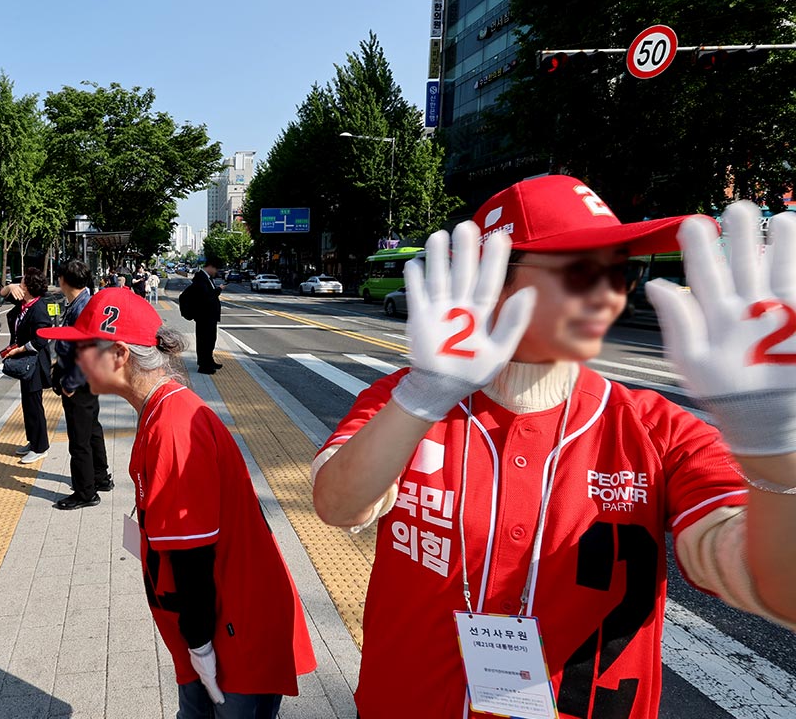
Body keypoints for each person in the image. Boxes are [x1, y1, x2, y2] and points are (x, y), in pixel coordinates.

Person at [311, 175, 796, 719]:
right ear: (492, 280)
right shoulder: (405, 401)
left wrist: (776, 457)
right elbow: (338, 504)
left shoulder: (656, 427)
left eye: (619, 272)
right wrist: (421, 397)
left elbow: (769, 584)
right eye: (579, 273)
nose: (610, 295)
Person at [47, 287, 317, 718]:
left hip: (232, 627)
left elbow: (192, 557)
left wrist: (200, 647)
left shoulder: (172, 424)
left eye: (81, 347)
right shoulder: (161, 409)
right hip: (213, 621)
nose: (74, 359)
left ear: (118, 354)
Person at [46, 259, 111, 510]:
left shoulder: (82, 308)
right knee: (92, 428)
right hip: (88, 380)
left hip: (79, 381)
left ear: (62, 279)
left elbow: (88, 352)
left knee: (79, 439)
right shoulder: (82, 302)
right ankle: (100, 477)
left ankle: (86, 493)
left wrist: (70, 384)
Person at [0, 267, 53, 464]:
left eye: (22, 282)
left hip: (35, 364)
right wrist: (10, 286)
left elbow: (41, 339)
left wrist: (19, 349)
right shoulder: (23, 302)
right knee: (27, 404)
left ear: (30, 286)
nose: (19, 285)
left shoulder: (38, 308)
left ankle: (41, 447)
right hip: (26, 363)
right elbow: (2, 294)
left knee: (34, 405)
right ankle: (33, 441)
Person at [190, 257, 223, 374]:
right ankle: (203, 365)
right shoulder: (200, 278)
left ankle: (209, 361)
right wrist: (218, 290)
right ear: (211, 267)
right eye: (216, 269)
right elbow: (205, 296)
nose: (216, 272)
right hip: (204, 316)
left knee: (210, 340)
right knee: (204, 341)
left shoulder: (207, 278)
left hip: (209, 316)